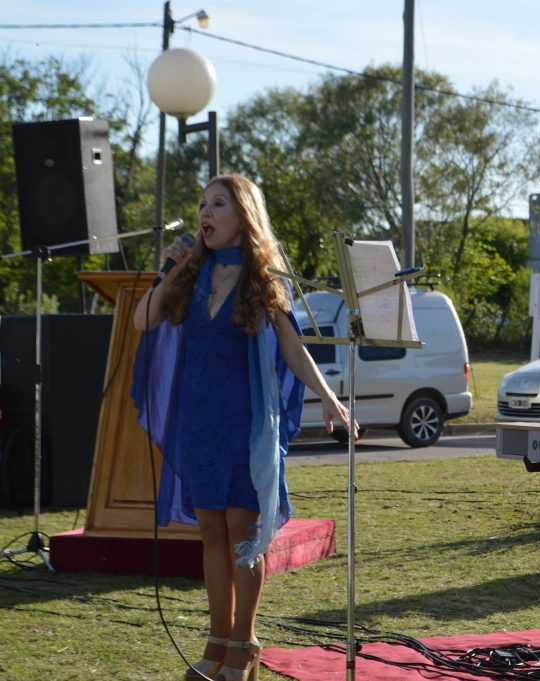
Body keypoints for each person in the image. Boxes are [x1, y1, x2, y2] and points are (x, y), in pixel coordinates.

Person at [132, 174, 356, 681]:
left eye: (218, 204)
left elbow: (295, 350)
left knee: (243, 536)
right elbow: (142, 321)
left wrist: (330, 398)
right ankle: (216, 642)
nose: (205, 214)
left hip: (246, 425)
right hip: (199, 422)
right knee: (209, 533)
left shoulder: (262, 281)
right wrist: (177, 264)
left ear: (243, 217)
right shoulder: (191, 276)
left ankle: (244, 642)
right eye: (202, 206)